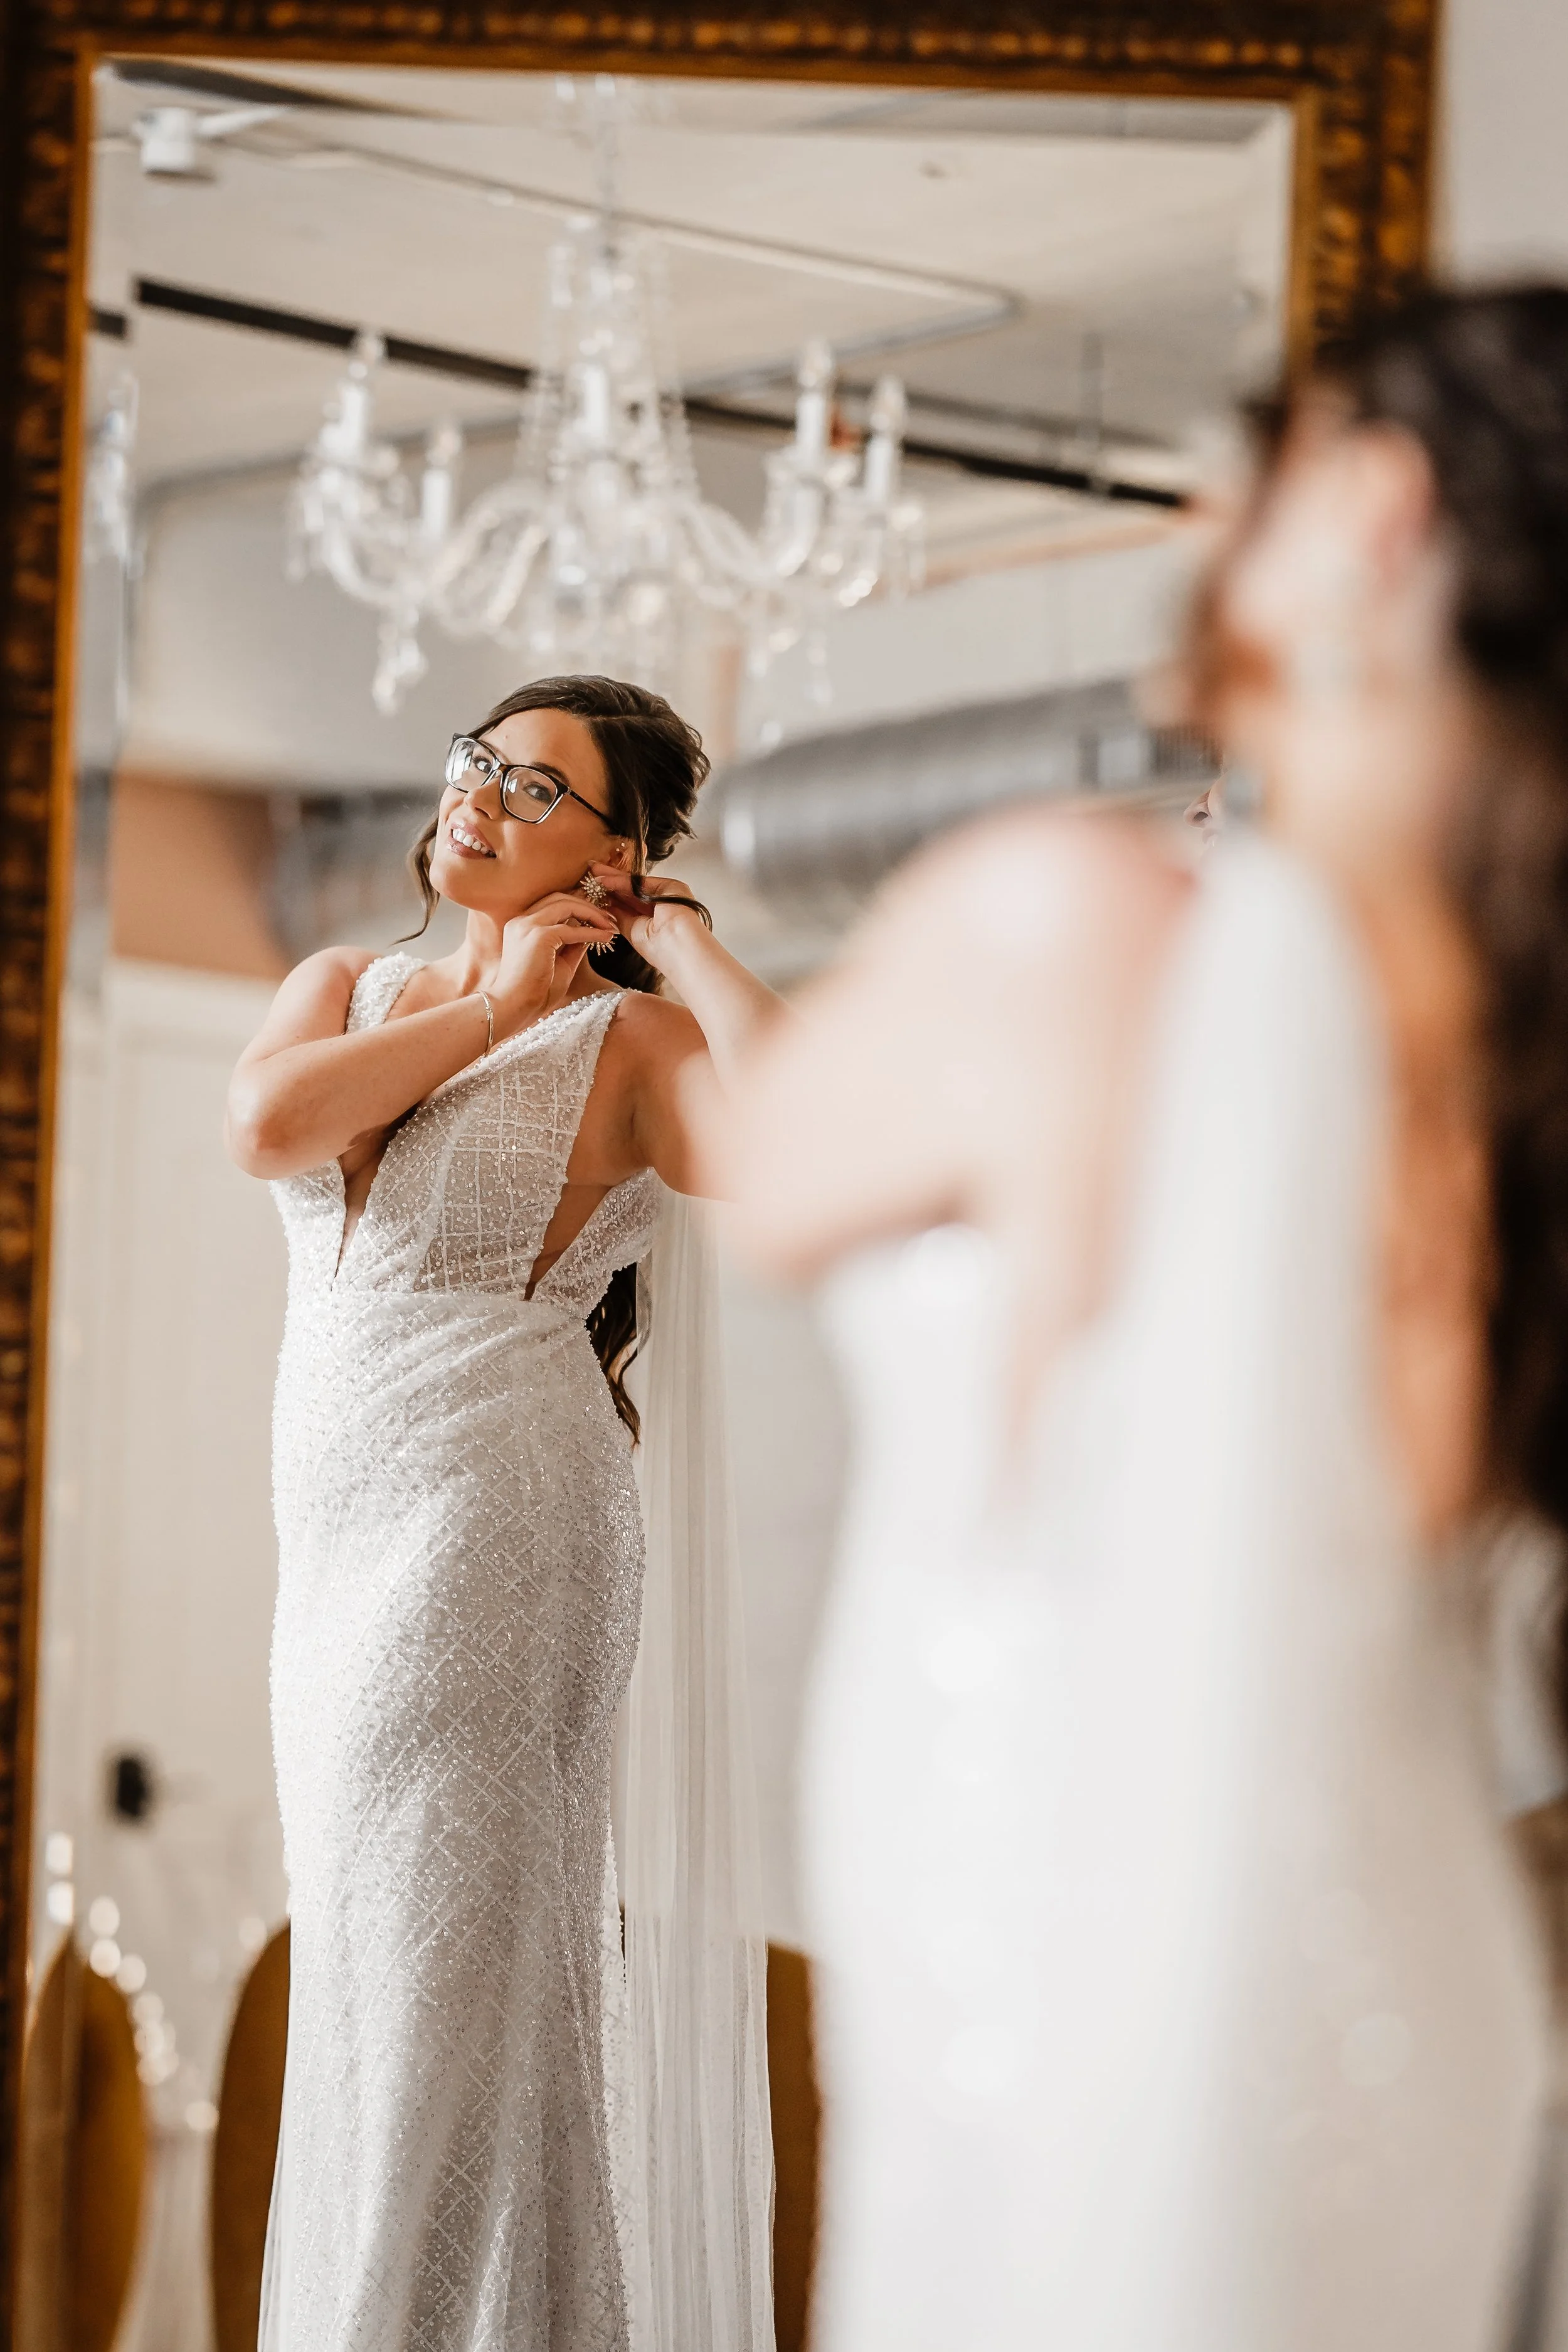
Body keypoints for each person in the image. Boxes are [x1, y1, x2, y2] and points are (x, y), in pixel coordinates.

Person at [713, 288, 1568, 2351]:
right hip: (1397, 2024)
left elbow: (756, 1168)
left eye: (1239, 460)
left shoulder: (1068, 923)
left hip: (1064, 1993)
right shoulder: (1512, 1065)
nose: (1195, 505)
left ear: (1368, 510)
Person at [225, 675, 779, 2352]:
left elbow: (793, 1129)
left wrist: (675, 942)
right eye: (479, 762)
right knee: (384, 2005)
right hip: (331, 1578)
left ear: (614, 851)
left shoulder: (628, 1043)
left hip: (495, 1543)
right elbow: (267, 1124)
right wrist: (487, 1005)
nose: (477, 797)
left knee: (444, 2022)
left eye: (534, 789)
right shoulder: (343, 988)